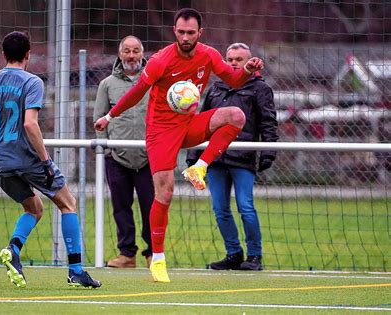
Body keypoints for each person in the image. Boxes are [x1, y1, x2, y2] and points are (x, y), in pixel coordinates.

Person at [94, 8, 264, 283]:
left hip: (189, 125)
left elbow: (233, 80)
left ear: (200, 33)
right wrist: (109, 116)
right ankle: (158, 259)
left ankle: (200, 166)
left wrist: (246, 70)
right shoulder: (161, 60)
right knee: (165, 193)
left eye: (191, 33)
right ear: (175, 31)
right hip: (160, 133)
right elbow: (137, 92)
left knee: (236, 116)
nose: (185, 37)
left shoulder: (208, 54)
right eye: (181, 32)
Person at [0, 31, 101, 289]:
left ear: (3, 55)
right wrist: (46, 162)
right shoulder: (32, 82)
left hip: (0, 164)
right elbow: (30, 123)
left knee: (34, 208)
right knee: (68, 203)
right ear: (29, 54)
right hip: (28, 158)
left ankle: (13, 250)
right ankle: (76, 271)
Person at [187, 43, 278, 271]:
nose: (234, 63)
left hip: (243, 158)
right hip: (215, 159)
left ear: (249, 62)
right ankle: (233, 253)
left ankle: (254, 256)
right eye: (230, 59)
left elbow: (268, 122)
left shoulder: (260, 89)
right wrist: (194, 154)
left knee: (246, 206)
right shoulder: (215, 89)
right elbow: (201, 123)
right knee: (219, 208)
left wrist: (268, 152)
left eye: (239, 59)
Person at [93, 35, 154, 268]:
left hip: (149, 158)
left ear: (142, 53)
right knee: (121, 207)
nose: (131, 55)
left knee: (152, 207)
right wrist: (106, 151)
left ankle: (153, 253)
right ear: (120, 54)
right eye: (127, 51)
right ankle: (127, 254)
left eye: (135, 51)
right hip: (116, 157)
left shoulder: (154, 81)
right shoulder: (107, 84)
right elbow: (98, 119)